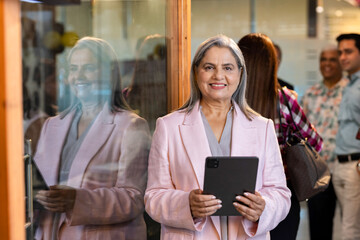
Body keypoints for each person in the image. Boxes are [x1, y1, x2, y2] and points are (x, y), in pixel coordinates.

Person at [145, 34, 291, 239]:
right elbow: (153, 196)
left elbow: (281, 194)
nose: (218, 76)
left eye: (228, 68)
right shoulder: (169, 127)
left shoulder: (262, 127)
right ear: (196, 72)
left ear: (240, 74)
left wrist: (264, 208)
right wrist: (186, 204)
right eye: (209, 67)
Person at [34, 37, 151, 240]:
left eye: (88, 68)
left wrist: (77, 200)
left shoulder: (131, 126)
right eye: (73, 68)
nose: (78, 76)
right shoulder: (51, 126)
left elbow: (134, 198)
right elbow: (38, 185)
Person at [237, 33, 323, 240]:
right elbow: (315, 143)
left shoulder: (228, 101)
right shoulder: (284, 100)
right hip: (281, 193)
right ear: (272, 63)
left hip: (238, 192)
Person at [300, 45, 348, 240]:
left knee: (352, 226)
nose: (327, 64)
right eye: (323, 59)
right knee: (319, 227)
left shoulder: (351, 91)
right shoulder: (311, 94)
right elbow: (300, 132)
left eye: (332, 59)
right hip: (318, 172)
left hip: (346, 169)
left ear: (341, 63)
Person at [333, 33, 360, 240]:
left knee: (350, 229)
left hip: (355, 165)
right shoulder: (349, 84)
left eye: (348, 51)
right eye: (340, 52)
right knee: (342, 226)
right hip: (340, 163)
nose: (343, 57)